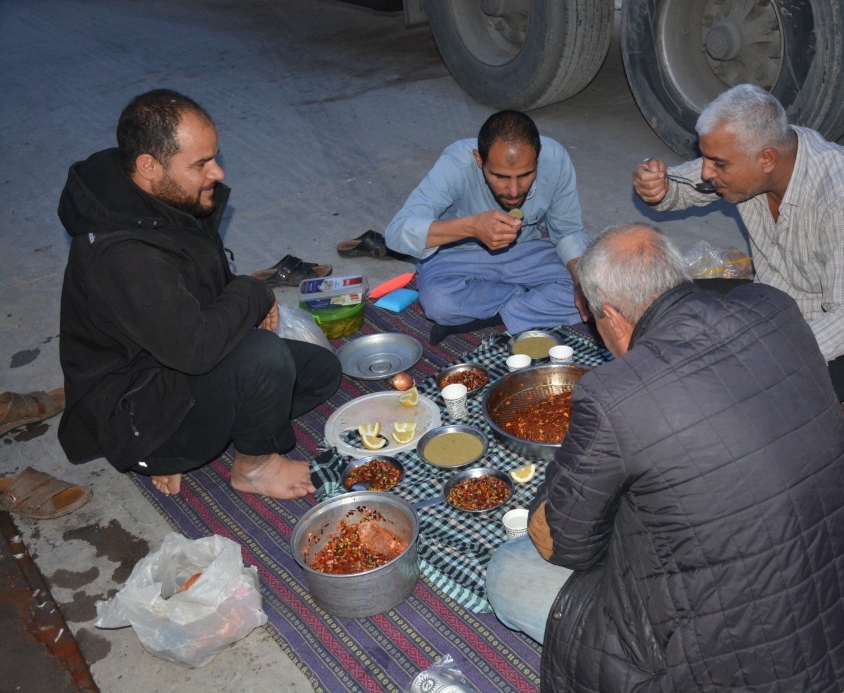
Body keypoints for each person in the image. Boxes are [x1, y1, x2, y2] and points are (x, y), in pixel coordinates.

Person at [486, 224, 844, 692]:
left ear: (611, 316)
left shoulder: (613, 395)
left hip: (738, 669)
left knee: (510, 569)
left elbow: (566, 545)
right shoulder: (774, 307)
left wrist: (562, 482)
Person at [57, 89, 340, 499]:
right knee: (263, 357)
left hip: (173, 360)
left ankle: (193, 447)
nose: (219, 173)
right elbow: (198, 350)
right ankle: (251, 467)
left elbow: (204, 297)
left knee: (319, 371)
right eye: (201, 164)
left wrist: (240, 301)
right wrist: (254, 292)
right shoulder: (122, 253)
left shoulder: (158, 196)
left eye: (215, 157)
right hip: (133, 410)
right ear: (148, 166)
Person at [633, 84, 844, 402]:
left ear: (767, 159)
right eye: (706, 158)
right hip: (773, 307)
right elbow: (680, 187)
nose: (707, 172)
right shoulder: (754, 152)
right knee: (657, 306)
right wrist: (659, 187)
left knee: (746, 398)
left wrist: (762, 354)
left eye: (719, 164)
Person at [384, 110, 589, 344]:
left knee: (596, 290)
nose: (514, 191)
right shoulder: (456, 164)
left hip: (526, 250)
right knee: (439, 304)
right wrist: (471, 227)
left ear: (538, 157)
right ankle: (529, 302)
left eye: (525, 175)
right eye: (500, 176)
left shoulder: (556, 159)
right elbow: (396, 233)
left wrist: (582, 283)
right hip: (457, 257)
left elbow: (568, 232)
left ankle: (493, 313)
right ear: (479, 160)